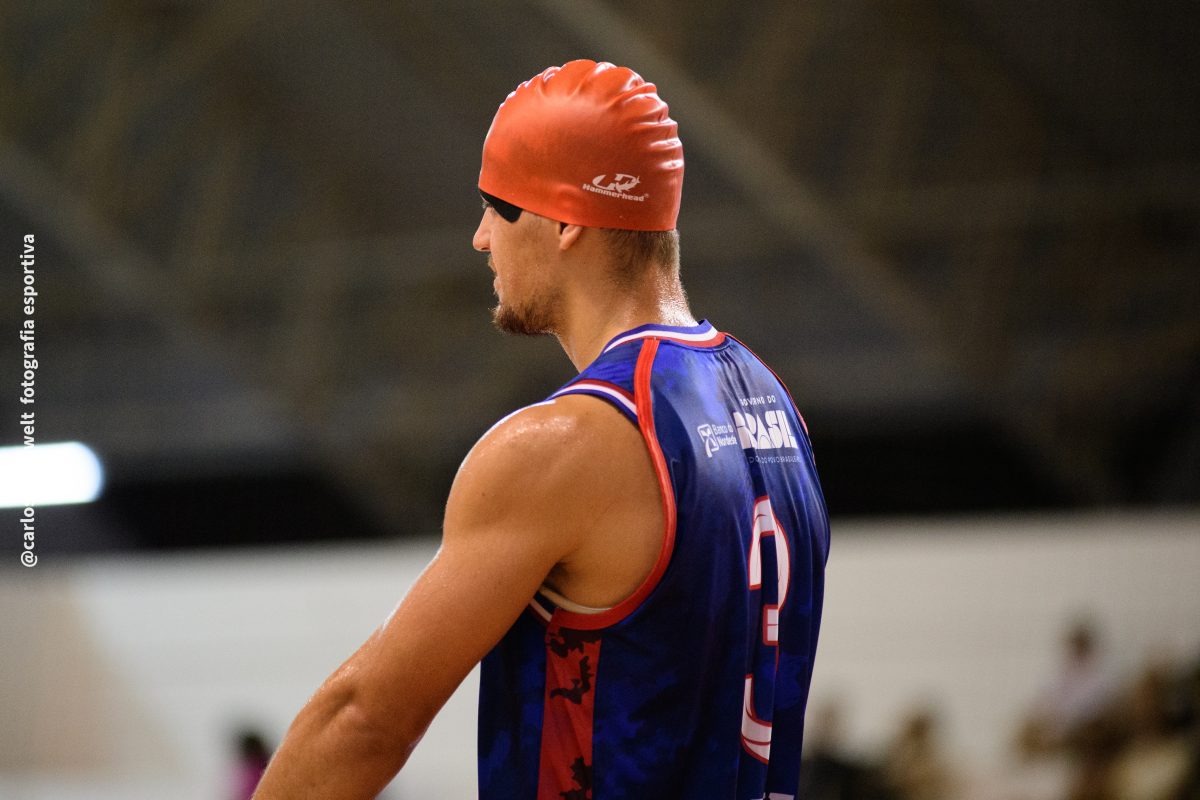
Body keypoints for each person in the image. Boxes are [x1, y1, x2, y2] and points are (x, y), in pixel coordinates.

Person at [252, 59, 830, 800]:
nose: (480, 238)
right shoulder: (775, 409)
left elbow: (364, 721)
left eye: (497, 207)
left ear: (566, 220)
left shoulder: (567, 445)